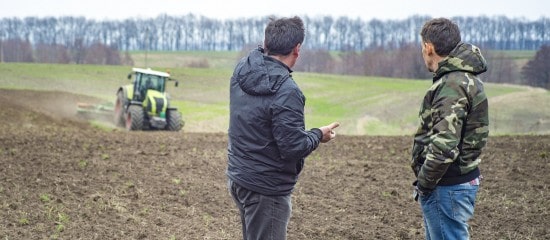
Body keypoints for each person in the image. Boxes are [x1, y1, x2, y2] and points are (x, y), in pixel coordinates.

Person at [226, 16, 339, 240]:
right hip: (266, 189)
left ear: (266, 43)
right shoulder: (288, 91)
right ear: (297, 49)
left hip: (239, 177)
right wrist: (318, 134)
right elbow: (292, 147)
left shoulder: (242, 70)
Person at [411, 17, 489, 240]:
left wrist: (424, 185)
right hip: (457, 181)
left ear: (429, 47)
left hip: (447, 185)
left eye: (422, 47)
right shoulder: (466, 79)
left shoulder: (452, 85)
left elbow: (444, 146)